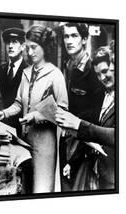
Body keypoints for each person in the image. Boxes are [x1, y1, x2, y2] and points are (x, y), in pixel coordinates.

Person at [0, 25, 68, 193]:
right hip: (25, 142)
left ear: (45, 48)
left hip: (45, 144)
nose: (30, 51)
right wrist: (4, 113)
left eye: (34, 47)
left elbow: (63, 110)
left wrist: (37, 116)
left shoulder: (55, 75)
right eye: (28, 47)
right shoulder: (26, 73)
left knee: (41, 189)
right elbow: (19, 103)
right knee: (25, 188)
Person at [55, 45, 115, 190]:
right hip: (100, 171)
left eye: (106, 71)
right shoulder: (102, 95)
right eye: (98, 74)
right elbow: (90, 133)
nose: (102, 78)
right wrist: (72, 162)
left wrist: (78, 124)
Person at [59, 22, 105, 191]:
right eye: (66, 36)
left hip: (82, 149)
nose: (69, 41)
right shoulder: (68, 66)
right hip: (65, 143)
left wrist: (74, 159)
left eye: (74, 36)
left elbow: (94, 118)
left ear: (84, 39)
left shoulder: (93, 72)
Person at [0, 28, 28, 136]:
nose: (10, 46)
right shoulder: (2, 69)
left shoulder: (28, 71)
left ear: (23, 46)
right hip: (1, 126)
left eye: (14, 42)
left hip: (20, 128)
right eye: (7, 42)